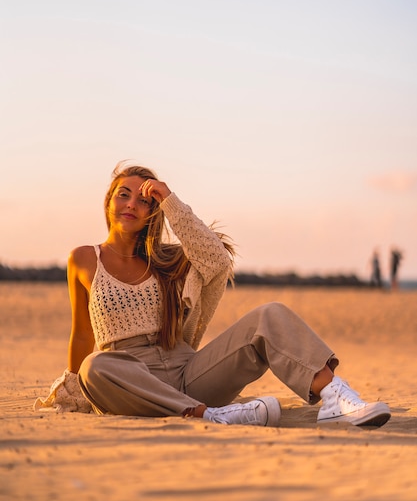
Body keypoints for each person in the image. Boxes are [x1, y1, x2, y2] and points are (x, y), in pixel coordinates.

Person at [35, 163, 391, 428]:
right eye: (122, 194)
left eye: (143, 200)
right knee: (93, 365)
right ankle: (208, 415)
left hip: (189, 372)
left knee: (271, 313)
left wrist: (169, 199)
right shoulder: (83, 258)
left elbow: (216, 259)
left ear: (151, 212)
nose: (131, 204)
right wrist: (74, 385)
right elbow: (82, 333)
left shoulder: (169, 260)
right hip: (130, 380)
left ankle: (334, 399)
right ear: (109, 203)